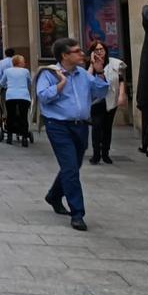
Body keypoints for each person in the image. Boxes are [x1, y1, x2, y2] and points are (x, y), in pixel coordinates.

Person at [38, 37, 110, 231]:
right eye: (77, 51)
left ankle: (54, 195)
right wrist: (61, 84)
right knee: (70, 167)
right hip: (58, 125)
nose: (82, 54)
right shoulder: (49, 74)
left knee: (74, 165)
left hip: (80, 126)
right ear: (64, 55)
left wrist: (100, 71)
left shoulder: (83, 75)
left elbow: (102, 92)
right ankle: (77, 213)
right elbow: (43, 97)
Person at [88, 40, 127, 165]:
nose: (99, 52)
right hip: (97, 101)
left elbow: (121, 80)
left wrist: (121, 95)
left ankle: (105, 153)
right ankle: (96, 154)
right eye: (96, 50)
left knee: (107, 128)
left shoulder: (114, 63)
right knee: (96, 127)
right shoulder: (90, 65)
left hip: (111, 99)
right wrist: (92, 64)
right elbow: (87, 80)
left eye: (101, 49)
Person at [0, 54, 32, 147]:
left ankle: (9, 136)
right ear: (20, 62)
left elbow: (2, 82)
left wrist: (7, 86)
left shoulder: (7, 71)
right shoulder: (26, 71)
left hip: (11, 96)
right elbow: (29, 82)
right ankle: (24, 137)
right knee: (23, 117)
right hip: (24, 96)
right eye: (23, 61)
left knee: (10, 115)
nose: (25, 63)